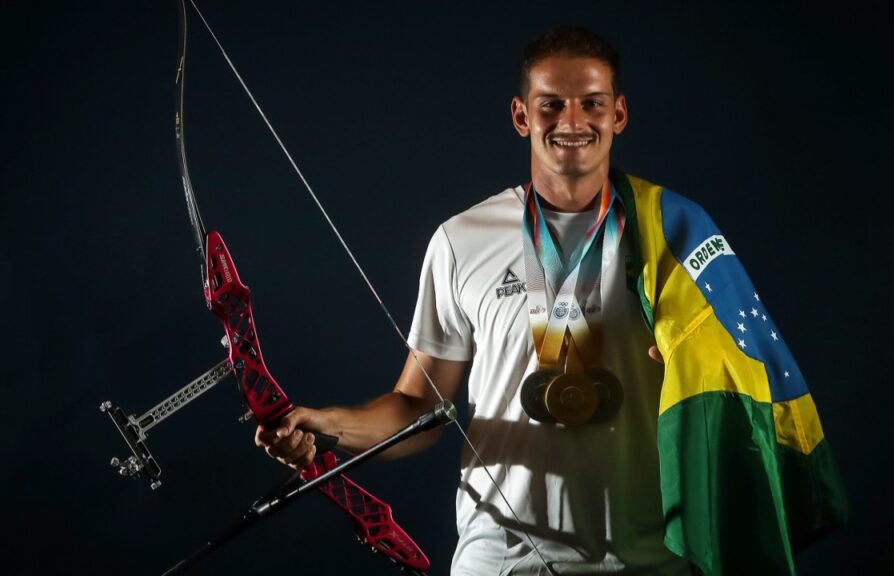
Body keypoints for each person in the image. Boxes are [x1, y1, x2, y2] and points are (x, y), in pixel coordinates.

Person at [257, 25, 846, 576]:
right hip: (503, 560)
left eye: (592, 102)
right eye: (551, 103)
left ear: (618, 114)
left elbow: (743, 375)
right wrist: (326, 426)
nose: (573, 120)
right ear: (521, 115)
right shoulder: (462, 239)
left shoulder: (676, 232)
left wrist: (685, 366)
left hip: (651, 560)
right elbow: (418, 407)